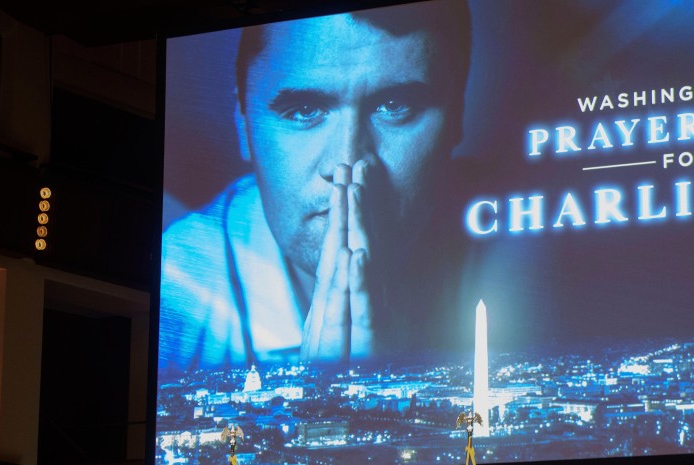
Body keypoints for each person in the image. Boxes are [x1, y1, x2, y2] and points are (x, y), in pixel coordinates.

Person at [158, 0, 473, 371]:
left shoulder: (527, 267)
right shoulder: (174, 296)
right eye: (304, 111)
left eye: (394, 105)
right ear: (243, 123)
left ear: (456, 118)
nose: (346, 164)